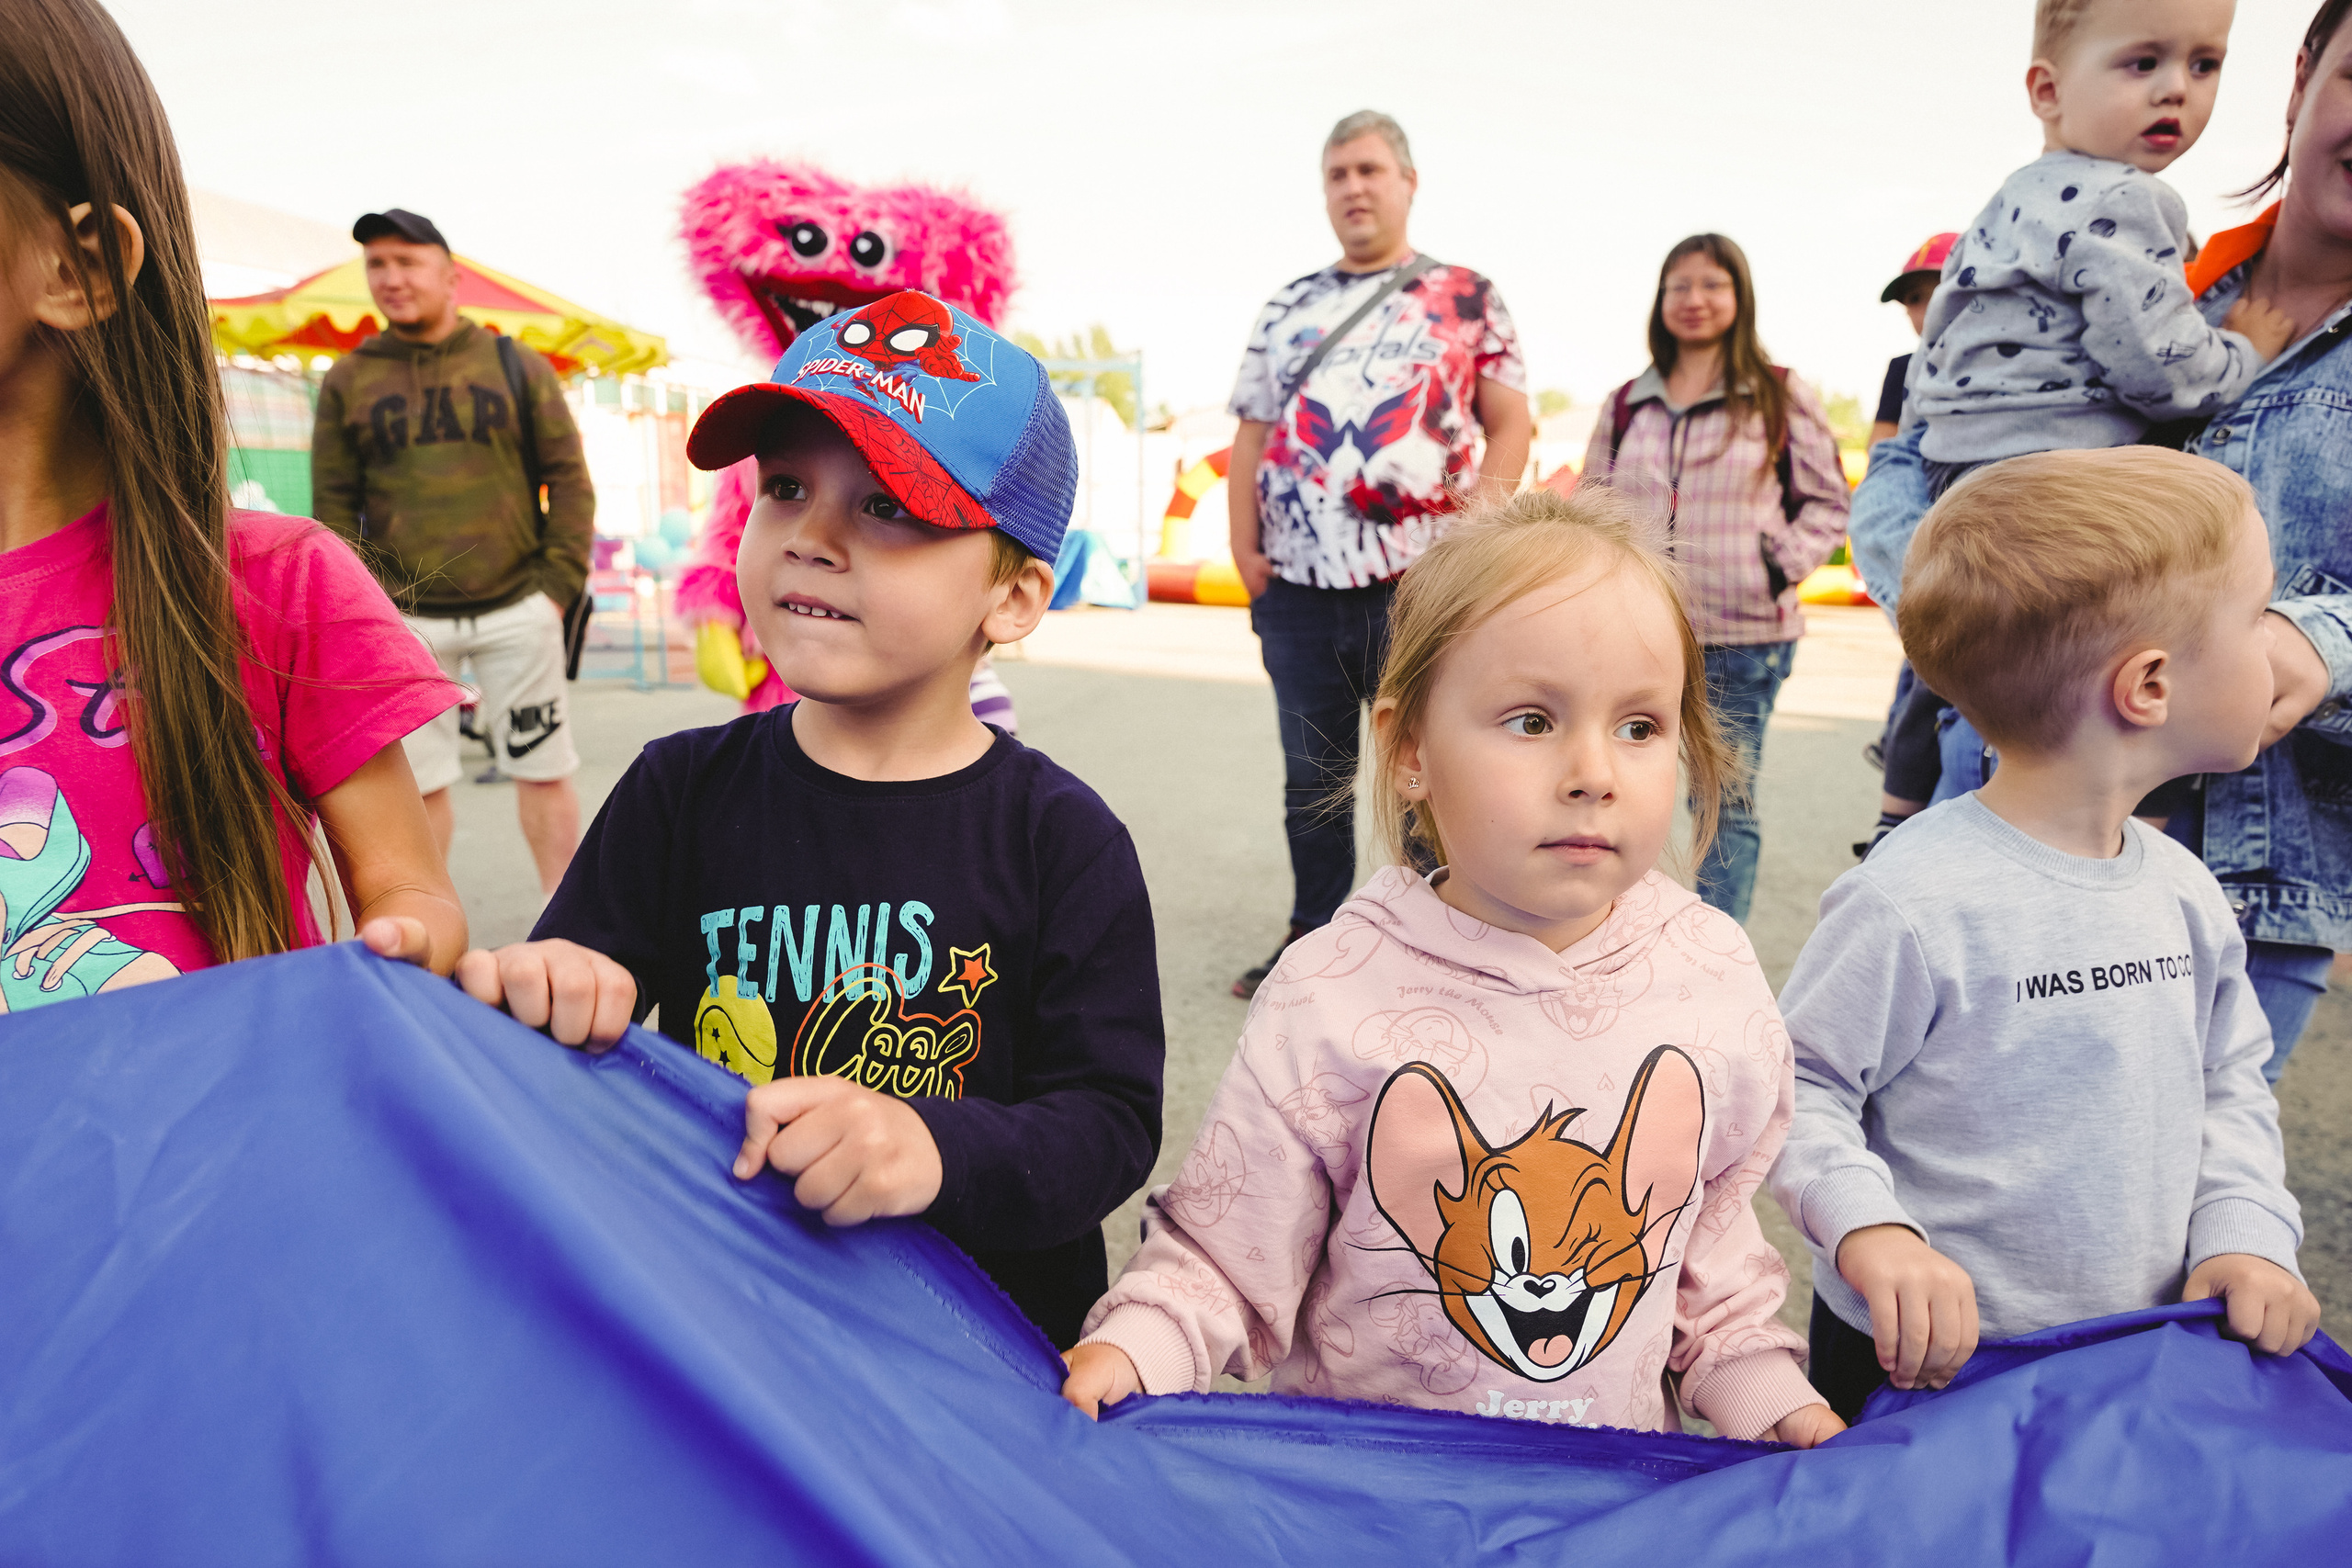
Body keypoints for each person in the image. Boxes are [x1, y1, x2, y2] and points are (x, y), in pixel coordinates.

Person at [448, 294, 1165, 1348]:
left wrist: (934, 1149)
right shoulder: (677, 790)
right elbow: (571, 1008)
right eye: (785, 488)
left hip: (977, 1358)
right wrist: (550, 985)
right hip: (735, 1328)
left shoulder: (1061, 838)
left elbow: (1107, 1124)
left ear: (1011, 599)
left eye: (889, 506)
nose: (813, 539)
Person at [1062, 488, 1844, 1450]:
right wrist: (1138, 1346)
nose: (1593, 770)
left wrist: (1778, 1406)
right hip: (1367, 1493)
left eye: (1638, 726)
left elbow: (1707, 1257)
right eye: (1530, 720)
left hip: (1599, 1500)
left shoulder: (1709, 974)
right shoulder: (1332, 991)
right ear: (1408, 750)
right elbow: (1228, 1251)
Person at [1848, 0, 2352, 1083]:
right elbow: (1905, 470)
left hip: (2251, 881)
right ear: (2304, 70)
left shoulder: (2095, 232)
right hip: (2006, 815)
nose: (2173, 86)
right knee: (1937, 1152)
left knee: (2159, 1206)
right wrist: (1982, 616)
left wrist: (2317, 640)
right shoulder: (2159, 267)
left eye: (2198, 62)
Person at [1770, 448, 2320, 1425]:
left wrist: (2242, 1231)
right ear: (2147, 685)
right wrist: (1872, 1231)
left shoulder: (2183, 892)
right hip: (1919, 1371)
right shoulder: (1913, 897)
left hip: (2128, 1352)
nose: (2277, 646)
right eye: (2254, 616)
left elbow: (2226, 1078)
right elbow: (1794, 1086)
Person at [0, 0, 463, 1012]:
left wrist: (402, 945)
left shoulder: (277, 583)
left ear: (76, 269)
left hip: (228, 1152)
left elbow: (410, 889)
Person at [1226, 108, 1531, 998]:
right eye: (1336, 174)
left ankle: (1440, 946)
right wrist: (1243, 546)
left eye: (1367, 170)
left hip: (1420, 586)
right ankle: (1312, 943)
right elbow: (1251, 432)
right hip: (1297, 582)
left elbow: (1508, 421)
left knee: (1430, 772)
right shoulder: (1287, 305)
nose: (1352, 188)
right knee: (1310, 777)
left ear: (1406, 182)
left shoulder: (1465, 294)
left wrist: (1476, 538)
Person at [311, 208, 594, 900]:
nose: (390, 277)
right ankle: (420, 935)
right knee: (418, 789)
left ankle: (574, 922)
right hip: (405, 622)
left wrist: (553, 589)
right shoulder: (350, 378)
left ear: (449, 275)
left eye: (406, 262)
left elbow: (570, 479)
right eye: (377, 264)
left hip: (516, 606)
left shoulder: (512, 363)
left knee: (544, 769)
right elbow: (336, 508)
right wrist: (368, 610)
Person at [1906, 0, 2294, 492]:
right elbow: (2159, 370)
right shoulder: (2125, 196)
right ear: (2049, 92)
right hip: (2050, 471)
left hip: (1950, 462)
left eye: (2203, 65)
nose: (2176, 89)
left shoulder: (2008, 201)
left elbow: (1938, 335)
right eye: (2143, 63)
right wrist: (2247, 351)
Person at [1579, 233, 1849, 923]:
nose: (1694, 300)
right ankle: (1610, 941)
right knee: (1612, 789)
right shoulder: (1625, 405)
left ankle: (1710, 957)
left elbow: (1827, 502)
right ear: (1660, 300)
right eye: (1679, 286)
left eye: (1712, 285)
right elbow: (1591, 504)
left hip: (1743, 635)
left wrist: (1775, 565)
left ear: (1740, 297)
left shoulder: (1778, 393)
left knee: (1722, 803)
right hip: (1633, 633)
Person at [1866, 232, 1957, 453]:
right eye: (1915, 298)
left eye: (1942, 289)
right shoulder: (1903, 370)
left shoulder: (2005, 358)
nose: (1931, 306)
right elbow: (1881, 446)